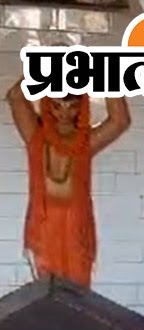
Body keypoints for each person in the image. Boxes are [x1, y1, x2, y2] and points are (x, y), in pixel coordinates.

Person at [7, 81, 130, 287]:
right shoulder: (35, 134)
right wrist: (46, 68)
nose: (64, 113)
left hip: (76, 226)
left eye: (72, 106)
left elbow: (120, 121)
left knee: (77, 293)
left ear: (82, 105)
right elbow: (15, 96)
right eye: (57, 106)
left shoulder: (86, 142)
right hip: (43, 226)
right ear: (47, 103)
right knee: (46, 293)